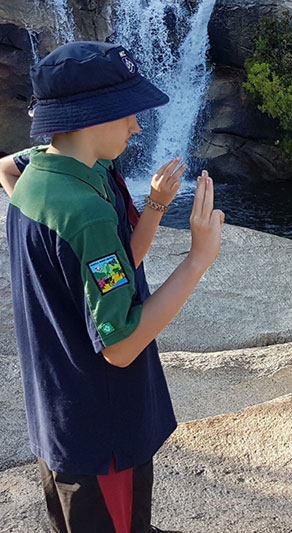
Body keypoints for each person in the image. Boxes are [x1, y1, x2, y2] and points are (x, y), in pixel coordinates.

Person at [6, 41, 225, 533]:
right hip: (100, 429)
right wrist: (198, 259)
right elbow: (121, 347)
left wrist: (155, 205)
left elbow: (6, 167)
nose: (136, 126)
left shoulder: (44, 171)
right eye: (127, 112)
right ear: (88, 116)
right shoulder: (85, 214)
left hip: (62, 415)